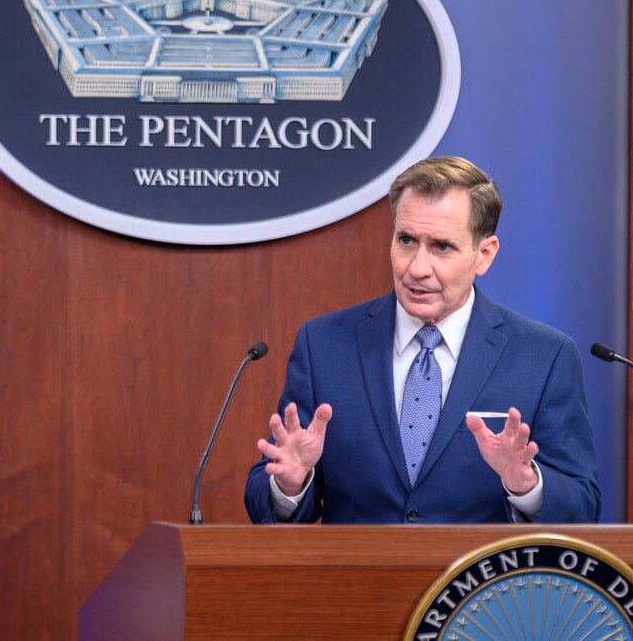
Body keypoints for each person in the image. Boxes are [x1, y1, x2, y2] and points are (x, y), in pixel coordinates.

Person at [245, 156, 600, 524]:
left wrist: (526, 487)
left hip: (480, 581)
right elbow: (266, 496)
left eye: (441, 246)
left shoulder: (543, 357)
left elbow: (582, 505)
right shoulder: (324, 346)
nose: (416, 268)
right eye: (406, 240)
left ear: (485, 255)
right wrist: (290, 485)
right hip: (358, 579)